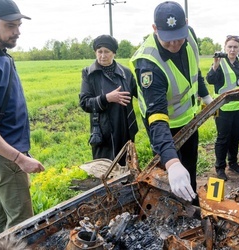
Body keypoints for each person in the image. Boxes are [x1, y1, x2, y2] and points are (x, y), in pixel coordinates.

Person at [130, 1, 212, 202]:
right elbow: (157, 118)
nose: (175, 44)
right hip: (162, 125)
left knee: (190, 165)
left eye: (178, 38)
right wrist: (172, 163)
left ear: (185, 24)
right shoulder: (148, 63)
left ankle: (192, 204)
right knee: (170, 174)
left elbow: (195, 72)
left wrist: (207, 96)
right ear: (155, 29)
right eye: (168, 40)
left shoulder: (190, 36)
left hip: (188, 118)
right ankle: (173, 209)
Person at [0, 0, 45, 235]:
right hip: (3, 155)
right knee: (22, 224)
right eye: (10, 25)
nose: (17, 31)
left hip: (6, 151)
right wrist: (19, 158)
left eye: (18, 25)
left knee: (3, 214)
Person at [79, 35, 138, 166]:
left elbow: (141, 94)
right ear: (95, 52)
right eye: (99, 52)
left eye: (107, 52)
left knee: (126, 167)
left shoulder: (126, 73)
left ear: (114, 53)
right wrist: (106, 98)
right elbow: (84, 103)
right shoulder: (89, 73)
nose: (103, 55)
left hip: (125, 129)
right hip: (102, 132)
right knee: (105, 170)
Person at [206, 35, 239, 181]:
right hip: (224, 108)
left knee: (235, 136)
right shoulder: (220, 63)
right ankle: (220, 167)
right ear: (225, 48)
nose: (232, 49)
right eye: (229, 47)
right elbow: (210, 80)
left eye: (235, 47)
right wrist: (215, 65)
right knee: (223, 138)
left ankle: (233, 162)